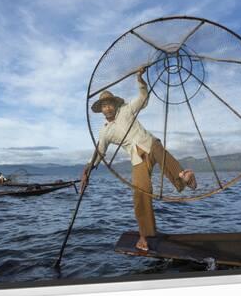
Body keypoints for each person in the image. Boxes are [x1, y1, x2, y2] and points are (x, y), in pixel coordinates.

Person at [81, 67, 197, 252]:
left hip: (150, 144)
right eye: (104, 105)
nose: (108, 107)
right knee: (140, 194)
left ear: (114, 104)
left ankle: (183, 176)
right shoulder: (105, 131)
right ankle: (145, 235)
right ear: (101, 110)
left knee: (160, 151)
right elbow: (99, 151)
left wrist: (139, 79)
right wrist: (87, 169)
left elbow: (143, 98)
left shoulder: (126, 110)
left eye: (110, 103)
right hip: (138, 158)